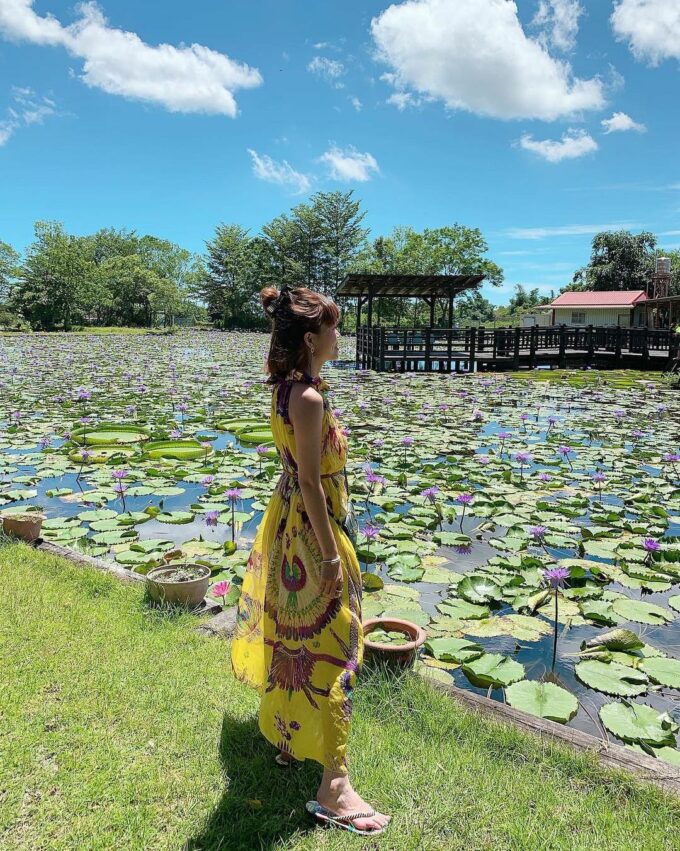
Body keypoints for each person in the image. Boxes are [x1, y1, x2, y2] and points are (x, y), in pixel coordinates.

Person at [230, 285, 391, 837]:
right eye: (335, 327)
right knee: (337, 643)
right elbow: (310, 480)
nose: (340, 336)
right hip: (309, 532)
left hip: (286, 527)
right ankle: (334, 787)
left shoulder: (286, 389)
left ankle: (287, 739)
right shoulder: (310, 399)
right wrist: (329, 555)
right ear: (310, 337)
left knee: (293, 634)